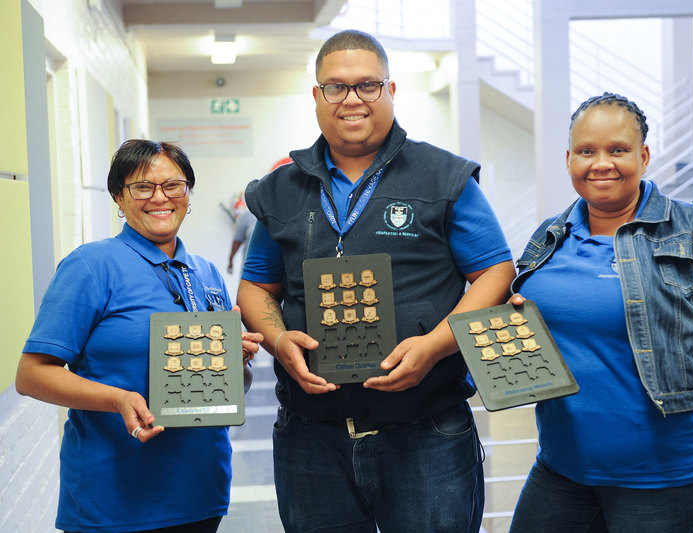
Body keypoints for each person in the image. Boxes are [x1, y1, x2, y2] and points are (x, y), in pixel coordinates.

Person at [237, 29, 516, 533]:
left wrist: (432, 346)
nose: (353, 99)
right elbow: (257, 288)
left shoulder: (442, 177)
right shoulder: (279, 189)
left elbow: (495, 272)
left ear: (391, 91)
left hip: (424, 432)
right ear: (317, 97)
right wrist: (278, 340)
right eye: (337, 87)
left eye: (368, 85)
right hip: (310, 436)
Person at [507, 92, 693, 533]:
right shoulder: (550, 235)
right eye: (586, 151)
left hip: (671, 479)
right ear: (568, 160)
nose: (601, 163)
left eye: (617, 150)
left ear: (643, 156)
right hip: (563, 468)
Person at [16, 139, 263, 533]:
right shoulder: (92, 266)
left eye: (173, 186)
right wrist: (117, 399)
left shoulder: (206, 274)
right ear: (118, 197)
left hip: (200, 494)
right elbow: (31, 375)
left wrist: (238, 362)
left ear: (187, 194)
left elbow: (232, 388)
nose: (159, 198)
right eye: (142, 187)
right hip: (115, 501)